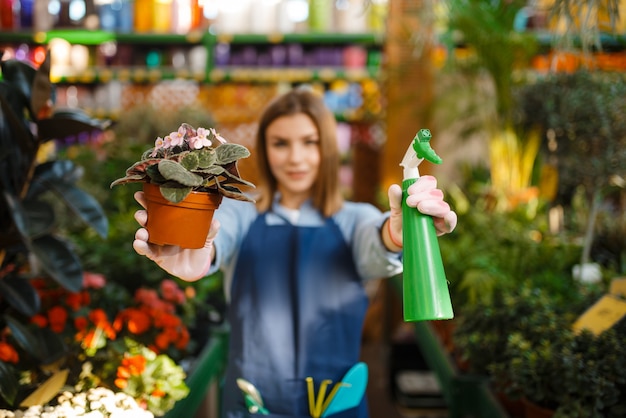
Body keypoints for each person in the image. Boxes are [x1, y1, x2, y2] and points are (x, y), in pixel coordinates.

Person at [132, 88, 457, 418]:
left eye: (309, 142)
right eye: (280, 143)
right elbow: (215, 236)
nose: (295, 158)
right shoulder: (242, 214)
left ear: (327, 148)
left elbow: (379, 238)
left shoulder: (354, 220)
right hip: (250, 407)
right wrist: (196, 252)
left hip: (334, 407)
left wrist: (403, 233)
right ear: (264, 150)